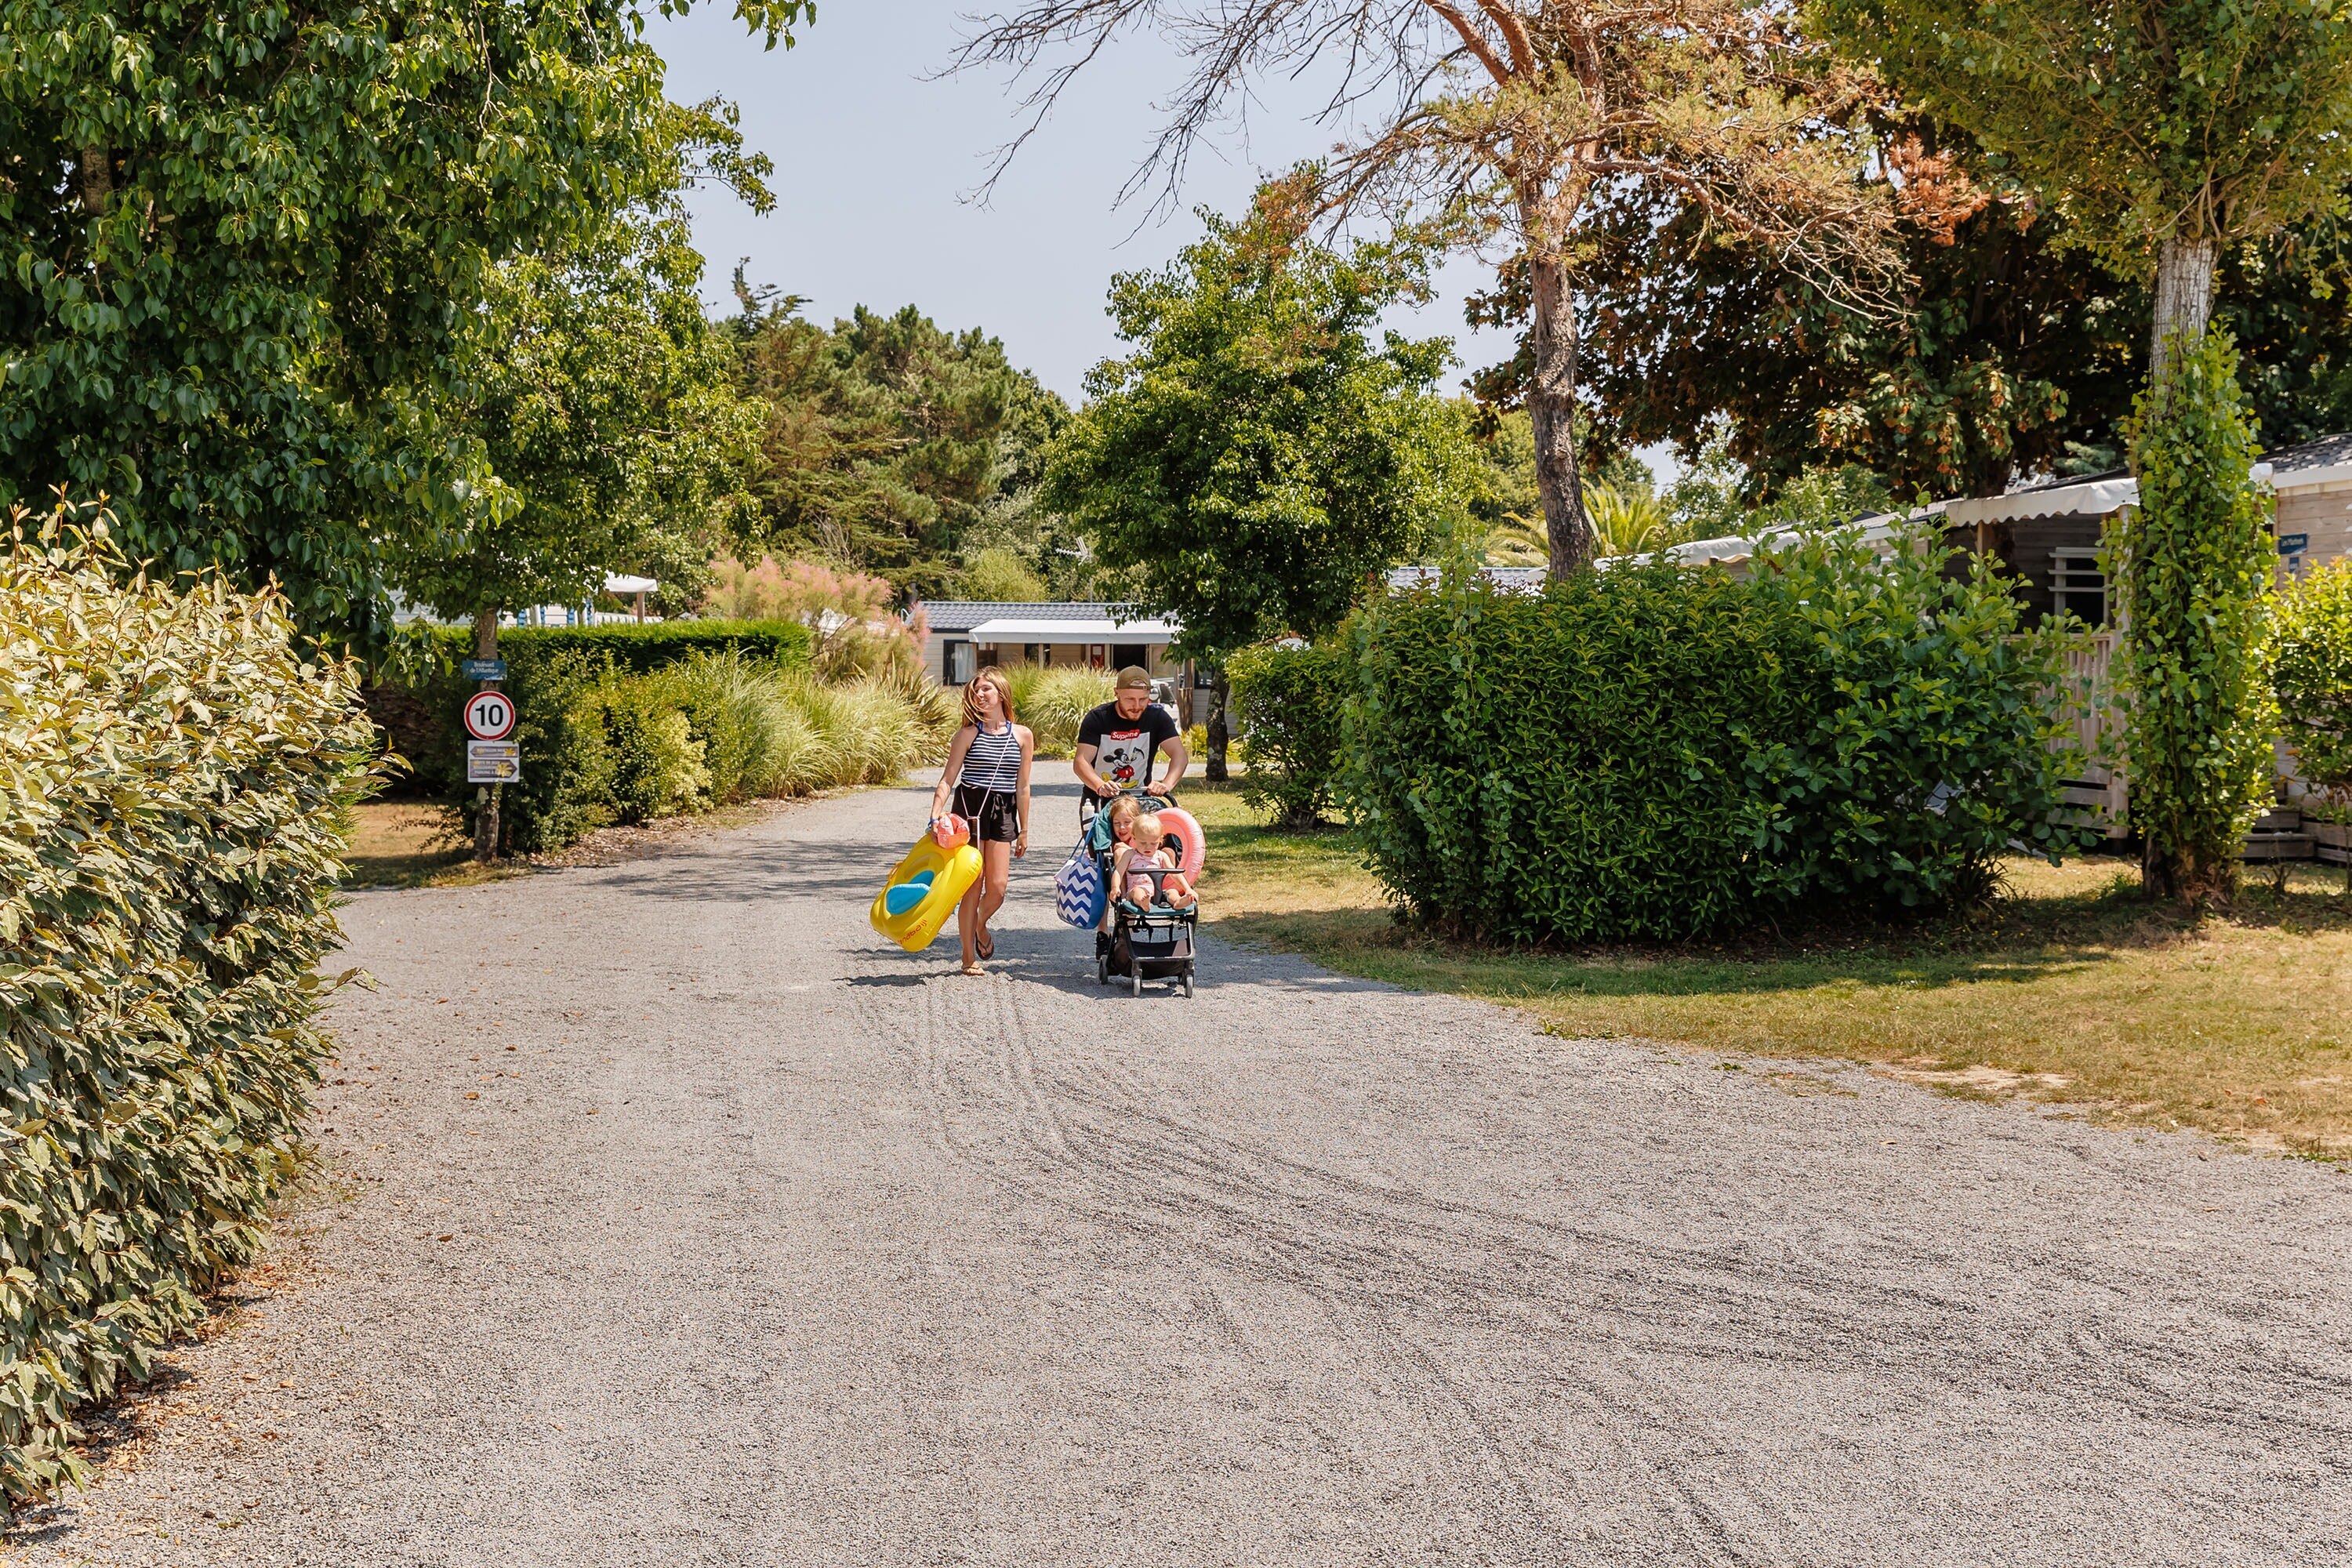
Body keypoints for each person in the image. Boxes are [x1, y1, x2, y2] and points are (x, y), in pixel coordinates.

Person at [928, 666, 1033, 977]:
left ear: (1001, 692)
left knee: (997, 888)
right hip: (968, 810)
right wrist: (935, 815)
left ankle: (980, 925)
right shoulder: (967, 734)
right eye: (975, 691)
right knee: (972, 887)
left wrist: (1024, 829)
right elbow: (948, 779)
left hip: (1002, 810)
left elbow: (1023, 786)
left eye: (985, 689)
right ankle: (967, 958)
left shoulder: (1023, 735)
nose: (979, 695)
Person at [1073, 665, 1188, 811]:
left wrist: (1166, 784)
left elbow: (1180, 756)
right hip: (1099, 797)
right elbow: (1081, 761)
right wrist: (1100, 785)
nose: (1136, 706)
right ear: (1116, 693)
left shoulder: (1157, 717)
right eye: (1130, 699)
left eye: (1143, 699)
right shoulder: (1098, 718)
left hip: (1140, 798)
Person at [1119, 813, 1196, 910]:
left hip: (1157, 892)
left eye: (1153, 843)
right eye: (1143, 843)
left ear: (1160, 841)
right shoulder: (1130, 854)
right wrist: (1115, 888)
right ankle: (1143, 903)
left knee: (1172, 891)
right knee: (1138, 892)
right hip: (1136, 889)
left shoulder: (1161, 856)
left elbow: (1175, 874)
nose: (1148, 846)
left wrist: (1187, 889)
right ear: (1134, 839)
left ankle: (1178, 901)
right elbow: (1118, 872)